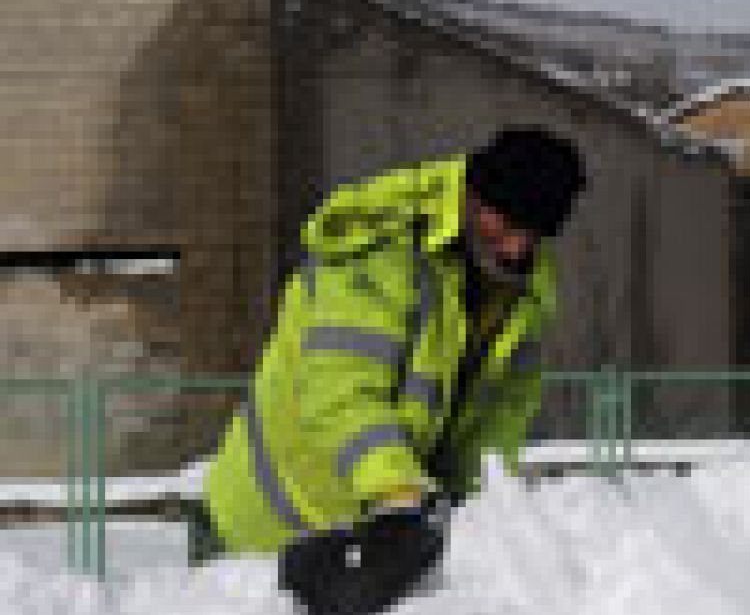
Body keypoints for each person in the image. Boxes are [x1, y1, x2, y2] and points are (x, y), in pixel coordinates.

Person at [197, 127, 588, 568]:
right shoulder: (379, 247)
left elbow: (500, 416)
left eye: (533, 235)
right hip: (260, 537)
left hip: (372, 541)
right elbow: (340, 392)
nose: (516, 247)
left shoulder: (523, 289)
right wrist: (397, 489)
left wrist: (472, 512)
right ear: (474, 196)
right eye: (507, 224)